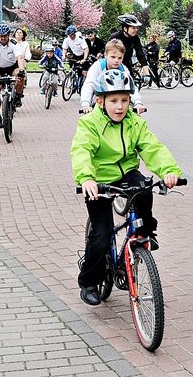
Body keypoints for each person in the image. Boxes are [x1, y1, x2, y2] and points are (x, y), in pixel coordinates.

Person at [70, 69, 182, 305]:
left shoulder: (135, 123)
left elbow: (153, 148)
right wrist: (86, 178)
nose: (119, 107)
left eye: (124, 100)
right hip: (98, 180)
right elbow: (81, 151)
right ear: (100, 101)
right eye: (113, 101)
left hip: (126, 173)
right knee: (102, 233)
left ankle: (145, 231)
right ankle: (89, 281)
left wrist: (169, 171)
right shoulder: (90, 123)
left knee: (143, 187)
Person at [80, 39, 147, 114]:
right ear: (105, 54)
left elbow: (132, 86)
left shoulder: (123, 69)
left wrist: (138, 102)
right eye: (113, 57)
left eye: (120, 58)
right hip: (100, 101)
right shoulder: (97, 66)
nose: (116, 61)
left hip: (118, 103)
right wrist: (85, 103)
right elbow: (89, 84)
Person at [0, 23, 27, 127]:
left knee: (21, 76)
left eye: (5, 35)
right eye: (1, 36)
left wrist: (21, 70)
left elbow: (20, 58)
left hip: (12, 67)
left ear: (9, 35)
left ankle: (17, 95)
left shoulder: (14, 43)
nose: (3, 38)